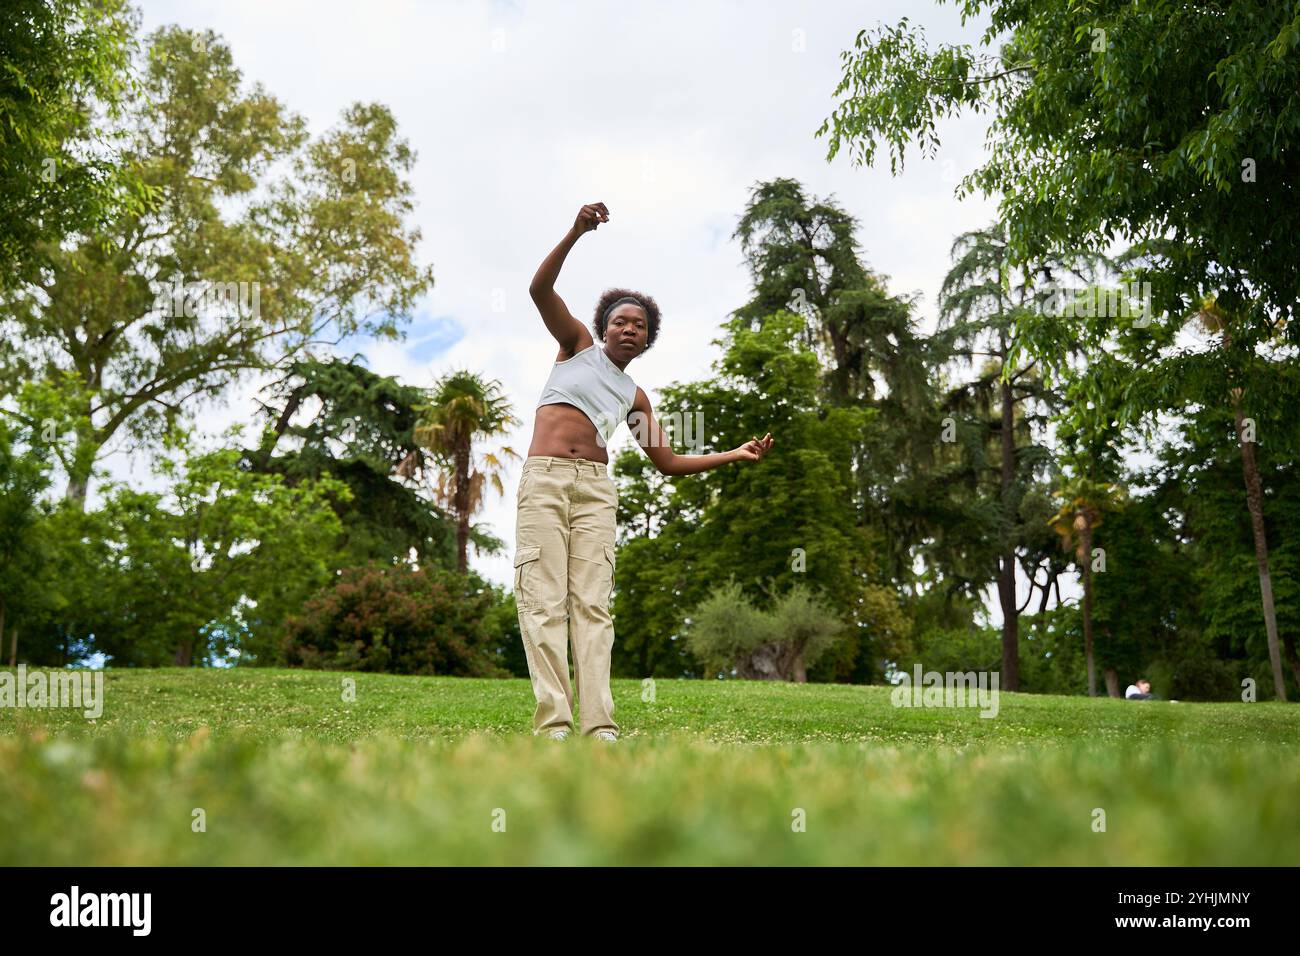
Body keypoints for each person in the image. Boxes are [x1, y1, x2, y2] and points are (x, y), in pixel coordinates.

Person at [516, 201, 774, 742]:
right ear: (603, 328)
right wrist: (575, 232)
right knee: (543, 601)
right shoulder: (575, 347)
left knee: (592, 606)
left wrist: (734, 454)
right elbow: (539, 290)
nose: (629, 329)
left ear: (647, 338)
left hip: (595, 492)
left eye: (639, 325)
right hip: (545, 480)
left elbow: (668, 463)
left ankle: (599, 726)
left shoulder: (635, 397)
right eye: (620, 321)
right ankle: (555, 723)